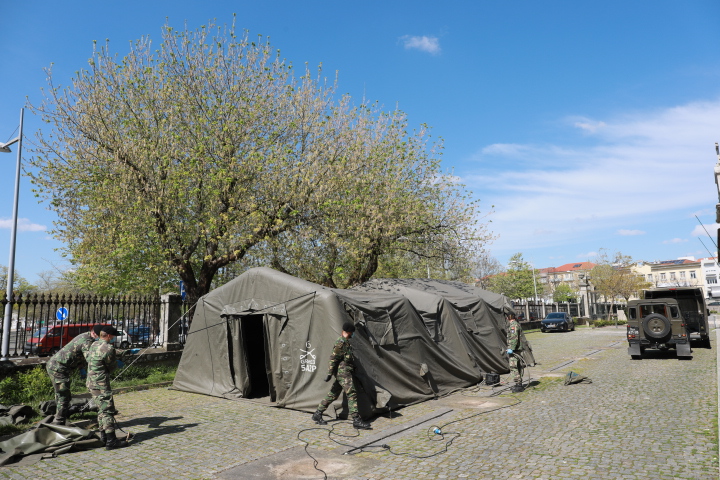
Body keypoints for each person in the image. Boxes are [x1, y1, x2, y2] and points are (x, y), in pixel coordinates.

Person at [311, 322, 372, 430]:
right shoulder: (340, 343)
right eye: (352, 333)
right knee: (352, 393)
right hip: (343, 373)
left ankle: (318, 413)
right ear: (348, 332)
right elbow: (333, 358)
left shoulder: (346, 342)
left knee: (333, 394)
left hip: (345, 372)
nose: (353, 335)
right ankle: (356, 420)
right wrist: (329, 374)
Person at [45, 324, 101, 425]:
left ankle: (62, 415)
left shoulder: (87, 337)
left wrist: (81, 369)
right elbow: (91, 359)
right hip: (57, 368)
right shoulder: (87, 341)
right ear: (95, 333)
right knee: (63, 395)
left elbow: (78, 355)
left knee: (62, 394)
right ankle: (59, 421)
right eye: (101, 336)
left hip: (60, 367)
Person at [86, 325, 131, 449]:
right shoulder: (109, 347)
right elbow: (111, 366)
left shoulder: (94, 345)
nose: (114, 338)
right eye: (113, 336)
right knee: (108, 410)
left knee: (101, 409)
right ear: (109, 336)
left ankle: (104, 437)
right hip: (101, 384)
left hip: (91, 382)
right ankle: (111, 441)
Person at [506, 313, 525, 393]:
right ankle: (519, 384)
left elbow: (514, 338)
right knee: (518, 366)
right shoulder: (517, 324)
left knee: (513, 367)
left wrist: (511, 349)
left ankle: (518, 384)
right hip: (518, 349)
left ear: (508, 318)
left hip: (515, 350)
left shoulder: (513, 325)